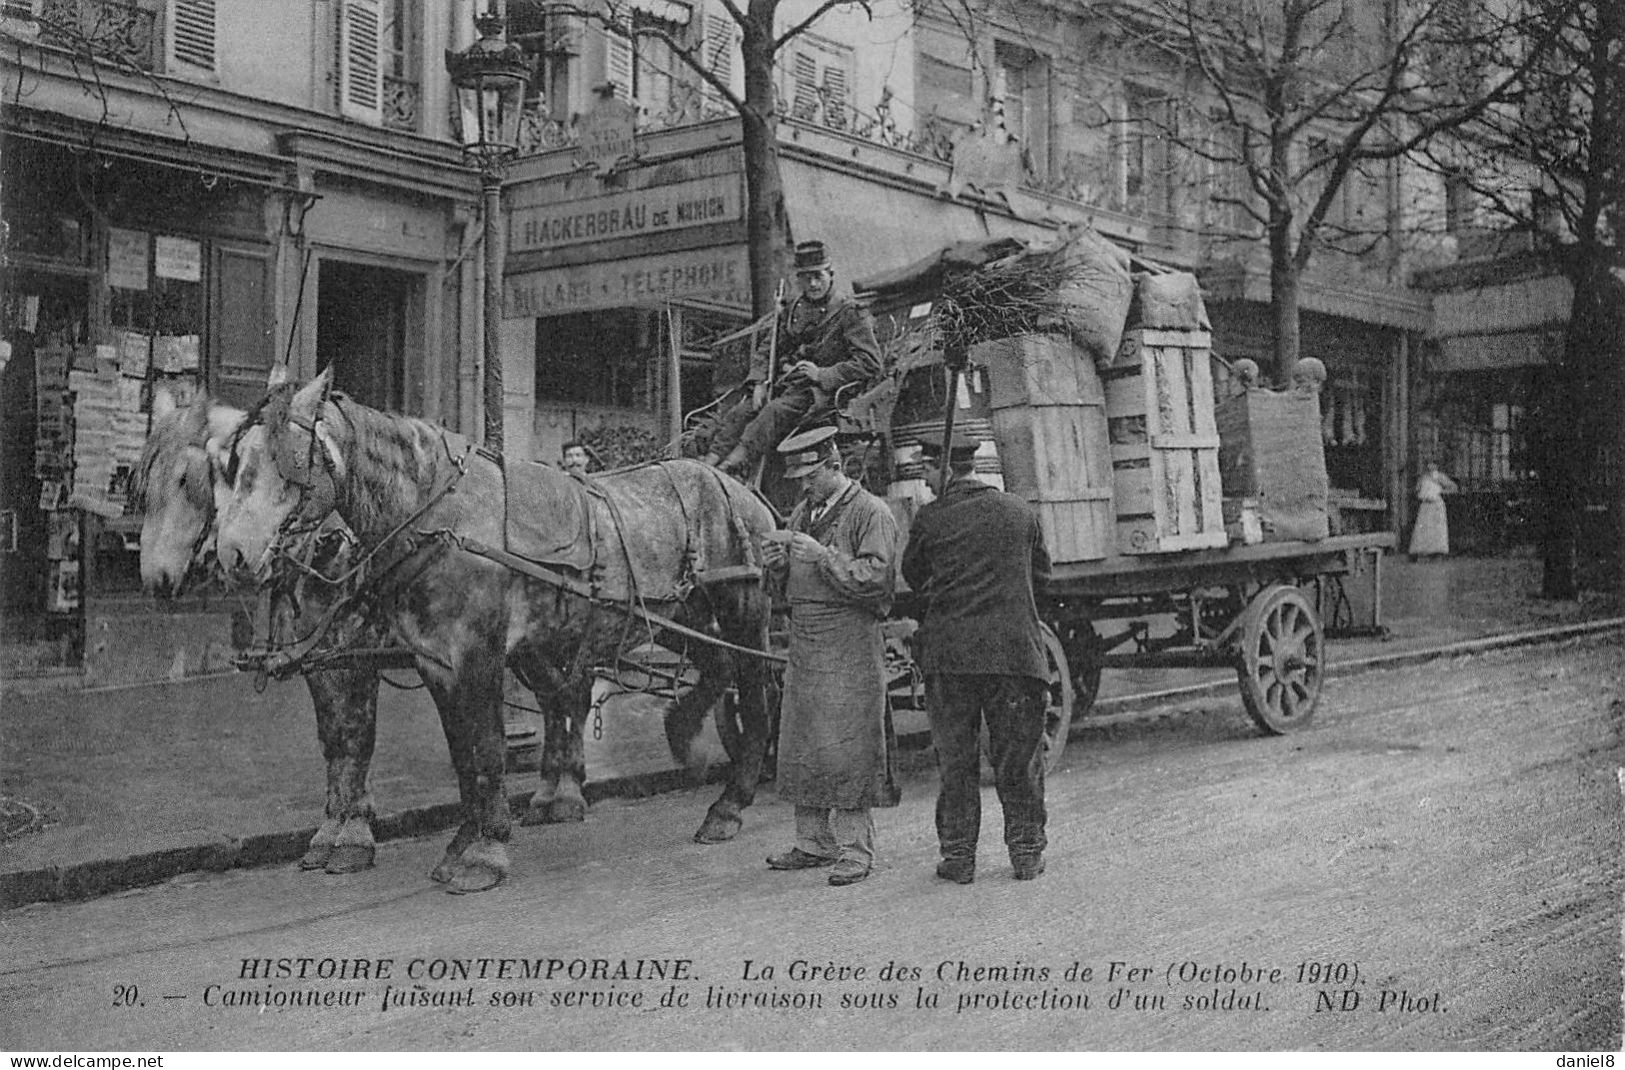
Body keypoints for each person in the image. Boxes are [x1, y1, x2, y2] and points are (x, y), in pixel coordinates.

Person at [901, 431, 1052, 884]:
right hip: (1014, 656)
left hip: (951, 660)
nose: (925, 482)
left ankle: (959, 858)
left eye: (927, 471)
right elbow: (1042, 576)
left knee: (956, 763)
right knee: (1018, 760)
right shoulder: (1019, 512)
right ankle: (1026, 854)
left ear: (945, 468)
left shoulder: (930, 520)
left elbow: (913, 577)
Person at [760, 426, 900, 887]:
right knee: (803, 740)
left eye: (809, 474)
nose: (801, 484)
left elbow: (877, 582)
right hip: (807, 643)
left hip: (849, 645)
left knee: (849, 745)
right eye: (798, 476)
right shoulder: (805, 511)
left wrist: (822, 557)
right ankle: (813, 842)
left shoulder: (870, 512)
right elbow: (789, 586)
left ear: (833, 465)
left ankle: (856, 850)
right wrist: (778, 565)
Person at [703, 240, 883, 477]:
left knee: (772, 412)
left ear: (831, 274)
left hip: (821, 394)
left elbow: (870, 361)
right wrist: (759, 382)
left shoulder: (849, 312)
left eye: (818, 276)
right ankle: (707, 466)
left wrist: (822, 374)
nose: (813, 284)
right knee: (741, 412)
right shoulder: (794, 311)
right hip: (790, 384)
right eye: (806, 278)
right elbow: (769, 348)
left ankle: (730, 467)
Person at [1409, 460, 1459, 559]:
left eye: (1433, 464)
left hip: (1436, 505)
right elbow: (1417, 489)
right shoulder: (1423, 477)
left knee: (1437, 530)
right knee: (1424, 529)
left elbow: (1454, 487)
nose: (1430, 466)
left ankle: (1437, 552)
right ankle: (1422, 552)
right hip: (1425, 505)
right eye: (1429, 464)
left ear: (1436, 466)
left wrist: (1441, 491)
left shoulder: (1440, 476)